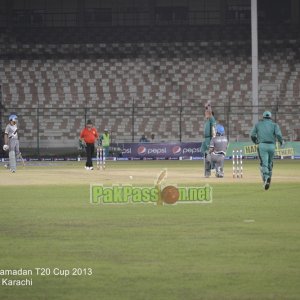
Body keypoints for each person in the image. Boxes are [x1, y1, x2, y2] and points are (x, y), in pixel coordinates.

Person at [250, 111, 283, 190]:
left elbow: (252, 135)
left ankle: (267, 178)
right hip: (272, 145)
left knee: (264, 164)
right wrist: (281, 142)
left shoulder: (258, 124)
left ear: (263, 117)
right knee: (270, 163)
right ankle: (268, 180)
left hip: (262, 145)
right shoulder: (275, 125)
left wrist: (255, 141)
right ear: (270, 117)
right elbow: (278, 135)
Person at [200, 102, 216, 177]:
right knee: (204, 153)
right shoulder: (207, 120)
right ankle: (207, 172)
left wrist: (208, 106)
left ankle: (213, 167)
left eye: (206, 112)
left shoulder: (211, 119)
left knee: (208, 155)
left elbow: (213, 131)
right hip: (205, 139)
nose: (205, 113)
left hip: (210, 139)